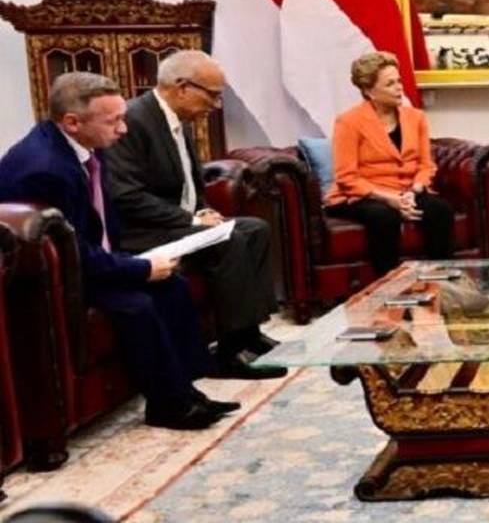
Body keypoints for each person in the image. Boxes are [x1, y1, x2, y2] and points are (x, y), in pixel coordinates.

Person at [0, 73, 239, 430]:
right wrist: (139, 269)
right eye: (113, 121)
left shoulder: (86, 147)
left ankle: (186, 391)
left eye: (122, 118)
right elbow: (72, 253)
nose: (123, 129)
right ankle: (168, 407)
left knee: (172, 285)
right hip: (52, 282)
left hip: (87, 261)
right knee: (137, 303)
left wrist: (135, 262)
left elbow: (100, 227)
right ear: (73, 122)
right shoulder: (45, 169)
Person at [104, 51, 283, 381]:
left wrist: (202, 209)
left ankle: (249, 332)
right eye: (212, 95)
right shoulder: (133, 121)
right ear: (182, 87)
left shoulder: (178, 119)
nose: (216, 104)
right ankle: (229, 352)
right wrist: (190, 221)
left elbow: (187, 181)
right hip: (145, 231)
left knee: (256, 228)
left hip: (178, 223)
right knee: (229, 240)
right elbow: (126, 195)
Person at [325, 51, 454, 274]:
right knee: (384, 216)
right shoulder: (349, 122)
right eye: (390, 84)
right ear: (369, 91)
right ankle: (389, 285)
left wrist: (414, 191)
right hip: (363, 195)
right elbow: (346, 177)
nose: (399, 88)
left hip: (407, 191)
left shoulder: (416, 117)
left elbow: (426, 165)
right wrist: (389, 199)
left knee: (440, 209)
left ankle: (441, 280)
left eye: (399, 81)